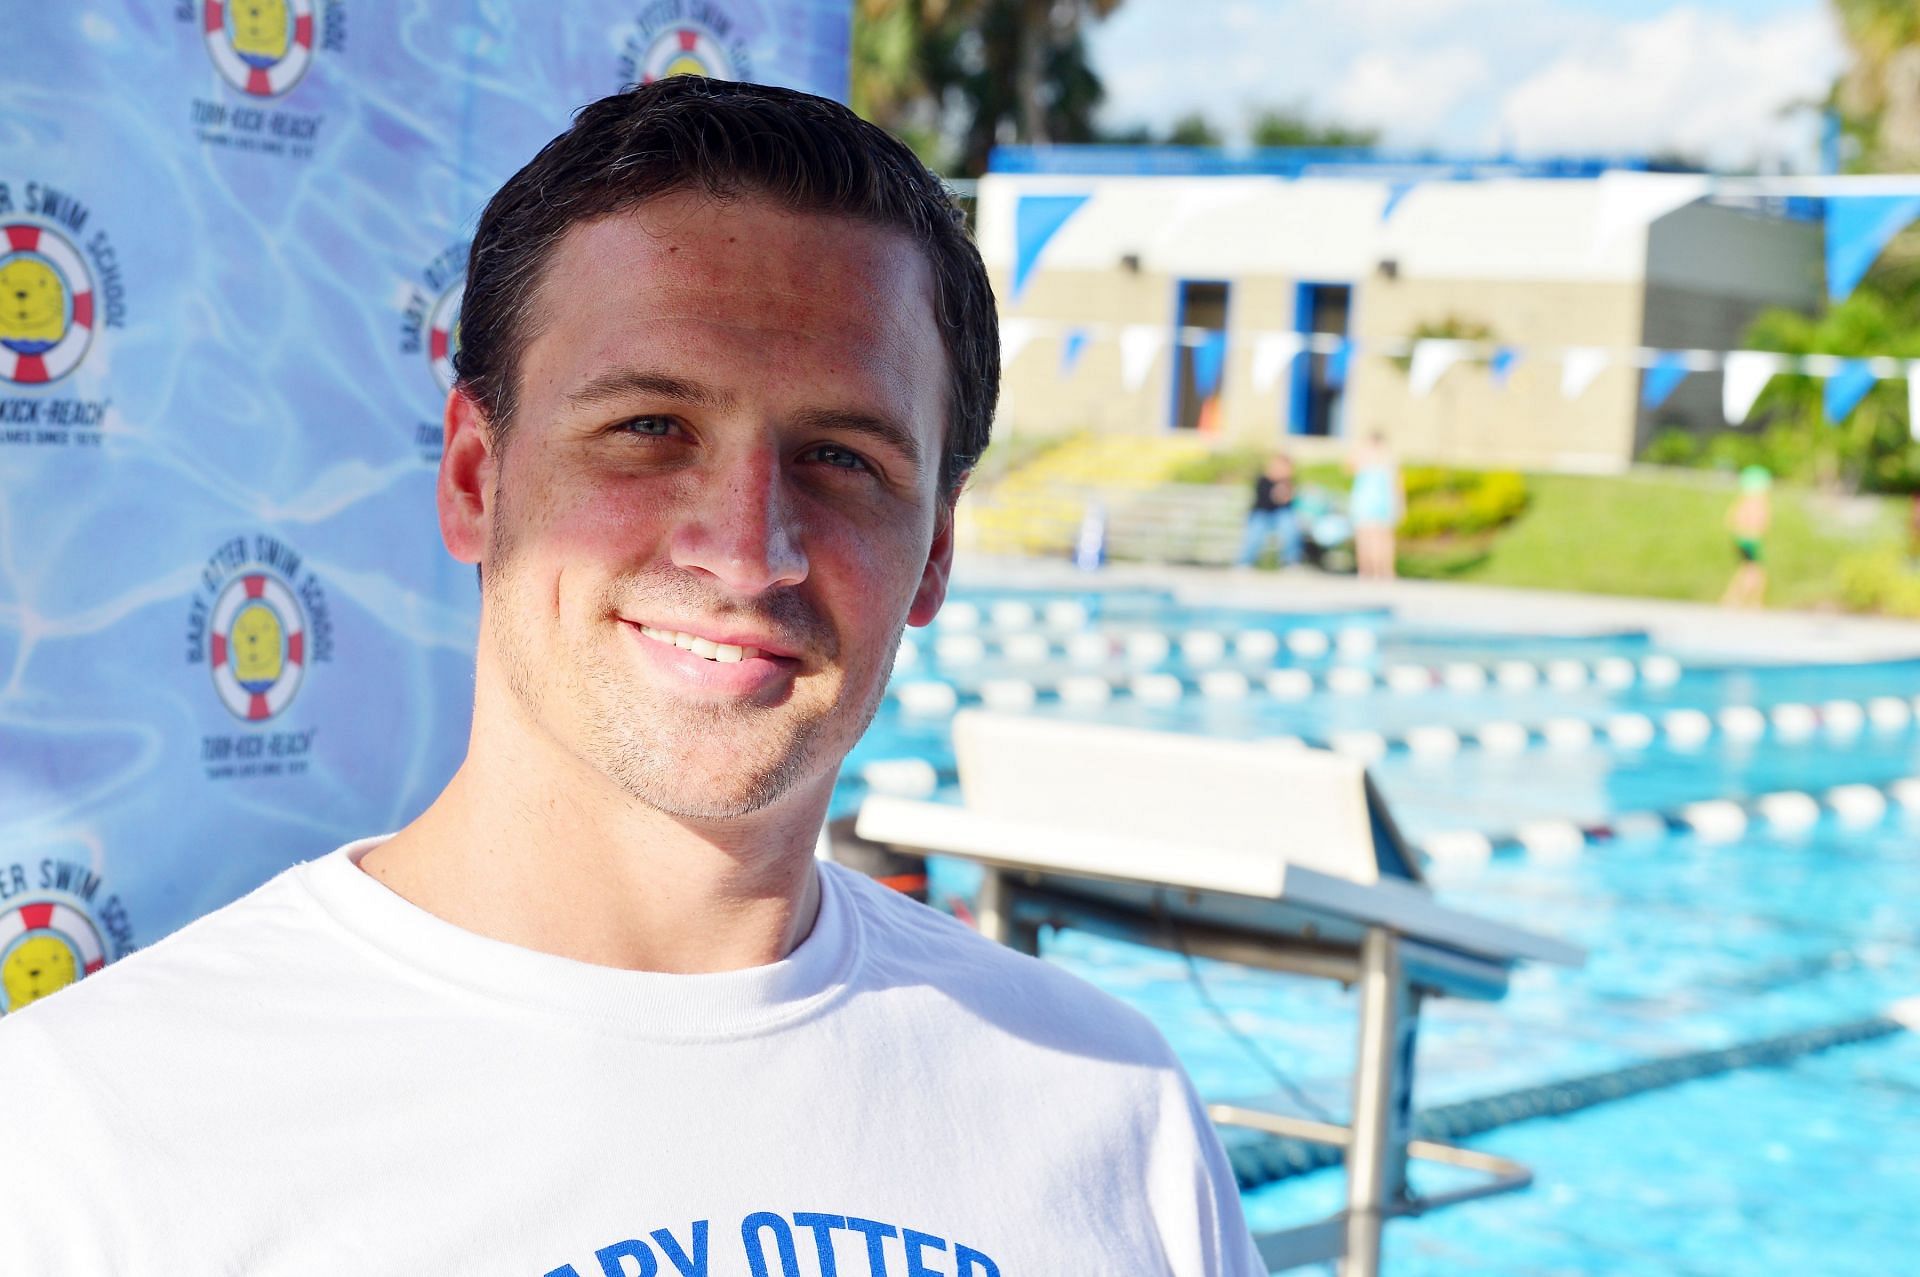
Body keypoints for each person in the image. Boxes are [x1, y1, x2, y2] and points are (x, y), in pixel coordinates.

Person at [0, 79, 1263, 1275]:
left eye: (841, 456)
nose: (746, 548)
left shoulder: (1110, 1107)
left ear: (933, 551)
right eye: (649, 429)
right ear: (473, 480)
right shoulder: (98, 1137)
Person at [1349, 430, 1402, 580]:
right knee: (1367, 537)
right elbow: (1349, 468)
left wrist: (1398, 503)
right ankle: (1368, 571)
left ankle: (1382, 571)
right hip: (1367, 501)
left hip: (1378, 501)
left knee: (1381, 537)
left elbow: (1396, 483)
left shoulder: (1387, 458)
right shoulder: (1367, 457)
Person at [1235, 450, 1302, 568]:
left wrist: (1285, 488)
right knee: (1255, 531)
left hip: (1280, 516)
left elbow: (1288, 502)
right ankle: (1245, 561)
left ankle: (1291, 561)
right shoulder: (1263, 480)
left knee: (1290, 527)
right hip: (1262, 514)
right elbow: (1266, 500)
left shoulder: (1289, 482)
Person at [1723, 464, 1772, 608]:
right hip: (1751, 540)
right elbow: (1763, 522)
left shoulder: (1743, 500)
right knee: (1755, 571)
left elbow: (1730, 519)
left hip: (1742, 539)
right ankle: (1752, 601)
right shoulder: (1759, 502)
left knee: (1747, 569)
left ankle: (1735, 598)